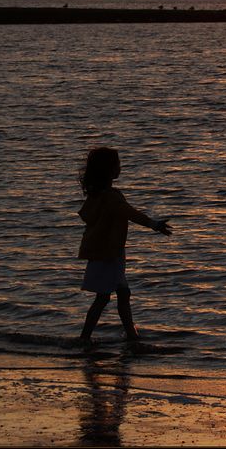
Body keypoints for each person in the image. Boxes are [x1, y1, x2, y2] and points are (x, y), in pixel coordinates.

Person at [76, 147, 171, 346]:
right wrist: (153, 224)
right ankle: (86, 338)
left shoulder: (97, 195)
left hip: (107, 252)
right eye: (117, 164)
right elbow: (129, 213)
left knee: (122, 294)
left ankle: (130, 335)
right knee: (103, 298)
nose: (120, 167)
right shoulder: (110, 197)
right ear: (109, 170)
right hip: (108, 254)